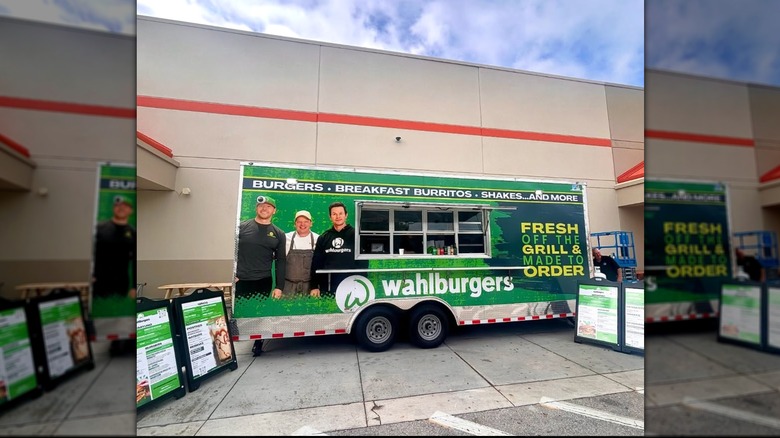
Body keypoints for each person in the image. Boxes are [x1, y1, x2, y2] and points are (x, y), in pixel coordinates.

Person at [235, 195, 286, 356]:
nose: (265, 208)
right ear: (256, 208)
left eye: (269, 206)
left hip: (263, 280)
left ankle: (258, 342)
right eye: (261, 206)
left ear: (274, 210)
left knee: (259, 313)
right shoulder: (242, 228)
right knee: (241, 313)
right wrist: (233, 275)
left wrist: (279, 286)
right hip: (241, 279)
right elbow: (232, 251)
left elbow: (281, 261)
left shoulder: (278, 233)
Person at [311, 202, 368, 297]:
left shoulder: (357, 235)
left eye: (340, 213)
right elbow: (316, 263)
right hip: (328, 287)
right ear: (330, 217)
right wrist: (314, 286)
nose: (338, 216)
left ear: (346, 215)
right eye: (334, 214)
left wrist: (361, 283)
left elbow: (363, 262)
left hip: (352, 286)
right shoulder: (323, 237)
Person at [92, 194, 136, 299]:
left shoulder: (133, 232)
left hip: (121, 284)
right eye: (118, 205)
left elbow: (134, 261)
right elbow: (91, 253)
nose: (121, 208)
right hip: (99, 282)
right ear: (113, 208)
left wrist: (134, 287)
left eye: (125, 206)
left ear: (131, 211)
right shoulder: (99, 228)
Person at [283, 210, 319, 298]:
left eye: (306, 221)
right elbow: (279, 261)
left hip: (310, 287)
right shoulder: (286, 238)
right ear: (295, 224)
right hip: (288, 286)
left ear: (311, 223)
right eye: (299, 222)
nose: (302, 224)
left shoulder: (318, 239)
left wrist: (316, 286)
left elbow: (319, 266)